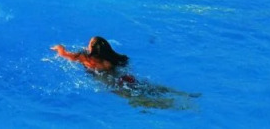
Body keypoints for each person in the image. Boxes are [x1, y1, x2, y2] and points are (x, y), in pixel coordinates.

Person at [51, 37, 201, 110]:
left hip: (115, 85)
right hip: (126, 78)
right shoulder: (112, 58)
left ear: (92, 49)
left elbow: (65, 55)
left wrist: (59, 48)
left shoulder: (87, 59)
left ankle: (177, 106)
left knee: (137, 101)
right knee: (151, 87)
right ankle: (183, 94)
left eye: (89, 43)